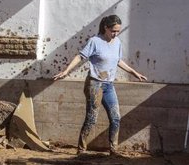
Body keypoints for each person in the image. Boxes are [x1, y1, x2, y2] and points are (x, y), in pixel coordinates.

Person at [53, 15, 147, 154]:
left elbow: (118, 60)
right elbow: (80, 56)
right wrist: (66, 71)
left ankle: (113, 150)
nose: (115, 34)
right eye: (113, 31)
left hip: (109, 85)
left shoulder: (117, 42)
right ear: (106, 28)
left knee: (116, 118)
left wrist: (134, 73)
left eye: (118, 31)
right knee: (92, 118)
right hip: (94, 84)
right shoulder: (95, 41)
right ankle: (81, 150)